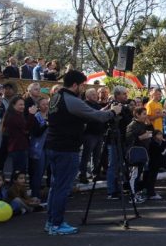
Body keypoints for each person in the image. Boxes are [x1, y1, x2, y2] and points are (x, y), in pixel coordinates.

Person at [44, 70, 120, 235]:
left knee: (55, 186)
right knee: (63, 187)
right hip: (66, 148)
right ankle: (56, 224)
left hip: (54, 145)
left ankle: (51, 221)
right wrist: (113, 112)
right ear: (74, 85)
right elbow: (96, 116)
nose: (83, 88)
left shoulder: (56, 97)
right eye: (82, 85)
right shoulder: (71, 100)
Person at [2, 95, 37, 174]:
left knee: (19, 171)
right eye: (20, 105)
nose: (23, 107)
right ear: (13, 105)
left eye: (23, 105)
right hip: (17, 147)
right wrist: (31, 114)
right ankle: (14, 186)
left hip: (19, 147)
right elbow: (26, 129)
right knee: (18, 172)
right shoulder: (13, 116)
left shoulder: (18, 115)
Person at [79, 87, 105, 184]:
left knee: (97, 155)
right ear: (88, 96)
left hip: (99, 133)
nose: (96, 96)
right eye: (93, 94)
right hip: (90, 134)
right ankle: (83, 174)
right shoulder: (86, 105)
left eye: (95, 94)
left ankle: (95, 174)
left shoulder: (97, 105)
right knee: (86, 155)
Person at [28, 97, 49, 203]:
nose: (46, 106)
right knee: (38, 171)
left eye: (47, 104)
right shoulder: (36, 116)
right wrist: (46, 124)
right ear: (39, 106)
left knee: (44, 170)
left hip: (49, 146)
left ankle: (42, 193)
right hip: (38, 147)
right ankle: (35, 194)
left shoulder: (51, 115)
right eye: (43, 104)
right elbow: (36, 132)